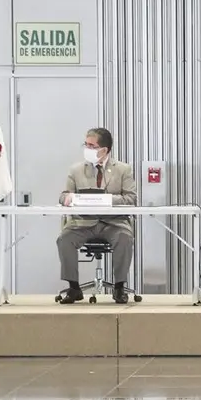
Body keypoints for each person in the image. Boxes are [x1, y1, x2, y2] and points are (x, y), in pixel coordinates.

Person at [57, 128, 137, 304]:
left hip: (114, 223)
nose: (87, 148)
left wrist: (105, 200)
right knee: (64, 239)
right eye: (86, 144)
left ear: (105, 150)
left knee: (125, 237)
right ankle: (74, 287)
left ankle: (119, 287)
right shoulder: (76, 170)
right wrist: (68, 198)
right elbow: (63, 195)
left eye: (92, 145)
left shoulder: (123, 169)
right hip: (83, 222)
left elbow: (131, 199)